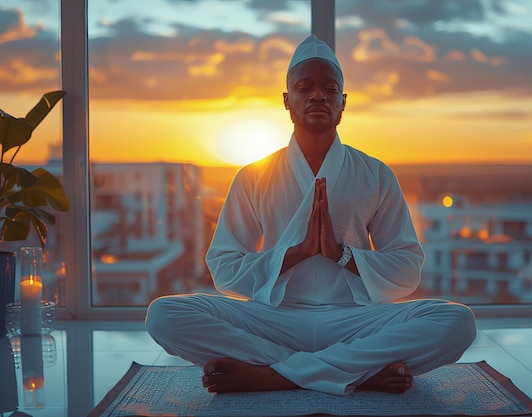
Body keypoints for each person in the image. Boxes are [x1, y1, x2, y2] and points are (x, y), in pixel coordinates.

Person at [145, 35, 476, 396]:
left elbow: (407, 267)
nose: (318, 95)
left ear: (343, 102)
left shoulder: (375, 173)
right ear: (288, 101)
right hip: (275, 319)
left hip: (353, 320)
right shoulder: (253, 175)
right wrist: (295, 253)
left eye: (330, 89)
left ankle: (274, 375)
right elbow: (224, 267)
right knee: (165, 315)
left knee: (457, 321)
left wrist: (342, 256)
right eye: (305, 88)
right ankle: (356, 373)